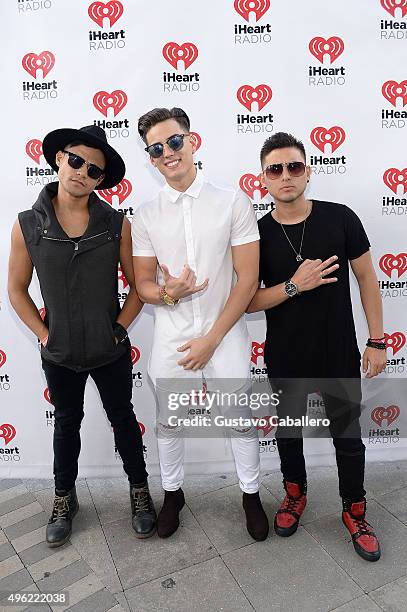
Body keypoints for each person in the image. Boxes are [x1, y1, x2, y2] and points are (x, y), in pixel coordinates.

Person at [8, 125, 156, 547]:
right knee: (66, 424)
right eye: (75, 160)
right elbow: (16, 290)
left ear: (101, 180)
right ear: (58, 158)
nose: (82, 172)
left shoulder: (116, 224)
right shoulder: (26, 226)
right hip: (59, 354)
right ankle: (63, 497)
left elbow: (139, 284)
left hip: (109, 351)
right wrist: (43, 335)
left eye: (94, 170)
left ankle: (140, 490)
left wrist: (120, 330)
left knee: (123, 418)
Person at [248, 132, 387, 562]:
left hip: (338, 352)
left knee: (348, 436)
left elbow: (367, 278)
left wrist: (377, 340)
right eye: (275, 169)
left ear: (308, 171)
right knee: (289, 433)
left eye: (294, 167)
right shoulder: (256, 234)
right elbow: (249, 300)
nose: (285, 176)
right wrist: (294, 285)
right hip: (286, 355)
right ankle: (294, 495)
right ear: (263, 180)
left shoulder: (340, 218)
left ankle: (355, 510)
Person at [132, 107, 269, 540]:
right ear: (151, 159)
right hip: (172, 336)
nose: (168, 153)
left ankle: (250, 494)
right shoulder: (146, 213)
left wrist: (212, 338)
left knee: (239, 417)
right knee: (169, 421)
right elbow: (142, 285)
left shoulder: (232, 202)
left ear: (192, 141)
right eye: (157, 148)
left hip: (224, 334)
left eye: (174, 141)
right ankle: (173, 494)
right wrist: (170, 292)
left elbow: (247, 280)